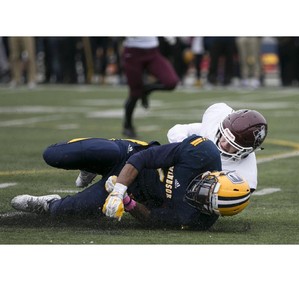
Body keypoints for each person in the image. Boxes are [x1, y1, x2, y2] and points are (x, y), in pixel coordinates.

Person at [11, 135, 251, 230]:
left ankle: (48, 203)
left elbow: (154, 219)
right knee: (53, 155)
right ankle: (91, 165)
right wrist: (118, 190)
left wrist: (127, 202)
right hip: (130, 157)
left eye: (206, 201)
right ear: (215, 176)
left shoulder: (195, 219)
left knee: (66, 211)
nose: (200, 194)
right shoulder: (203, 153)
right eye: (207, 189)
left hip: (132, 189)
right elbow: (144, 156)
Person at [167, 103, 267, 193]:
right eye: (225, 136)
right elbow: (176, 130)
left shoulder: (245, 178)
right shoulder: (215, 125)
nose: (224, 144)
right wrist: (188, 149)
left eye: (232, 145)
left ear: (246, 151)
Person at [121, 37, 179, 138]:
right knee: (135, 93)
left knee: (171, 82)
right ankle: (127, 126)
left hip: (153, 52)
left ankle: (147, 90)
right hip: (133, 52)